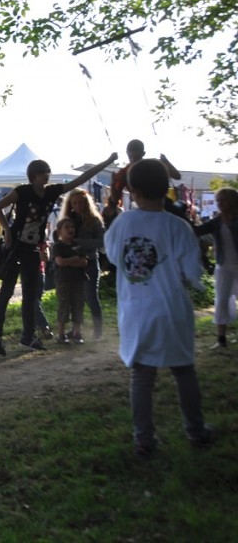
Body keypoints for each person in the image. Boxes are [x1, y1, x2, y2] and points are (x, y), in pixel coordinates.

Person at [104, 159, 214, 457]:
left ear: (133, 191)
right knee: (184, 372)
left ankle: (144, 439)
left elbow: (114, 257)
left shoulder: (124, 223)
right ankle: (196, 431)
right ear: (166, 188)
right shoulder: (178, 226)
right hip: (173, 309)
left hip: (137, 312)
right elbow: (192, 272)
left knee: (142, 377)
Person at [0, 153, 117, 356]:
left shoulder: (51, 192)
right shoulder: (22, 192)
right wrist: (7, 230)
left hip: (32, 248)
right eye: (42, 174)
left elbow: (80, 180)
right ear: (33, 176)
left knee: (31, 295)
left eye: (47, 173)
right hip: (16, 247)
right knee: (7, 291)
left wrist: (107, 163)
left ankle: (28, 336)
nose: (46, 176)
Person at [193, 187, 238, 349]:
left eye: (223, 200)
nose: (219, 204)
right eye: (217, 200)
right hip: (223, 266)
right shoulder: (216, 221)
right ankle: (221, 340)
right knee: (221, 300)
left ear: (232, 201)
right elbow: (196, 231)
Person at [60, 188, 107, 340]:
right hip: (72, 264)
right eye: (75, 203)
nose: (78, 205)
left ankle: (98, 331)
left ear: (86, 203)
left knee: (91, 297)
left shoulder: (94, 220)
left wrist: (81, 243)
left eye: (80, 202)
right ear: (70, 204)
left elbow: (102, 241)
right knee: (75, 298)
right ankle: (76, 331)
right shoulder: (68, 220)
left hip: (90, 262)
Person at [52, 218, 87, 344]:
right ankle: (61, 334)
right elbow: (60, 262)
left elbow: (84, 262)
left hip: (78, 280)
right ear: (59, 231)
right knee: (64, 306)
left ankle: (77, 333)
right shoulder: (57, 246)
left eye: (72, 227)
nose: (70, 229)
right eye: (66, 227)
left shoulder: (77, 245)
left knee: (78, 305)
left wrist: (69, 262)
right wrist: (74, 259)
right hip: (63, 280)